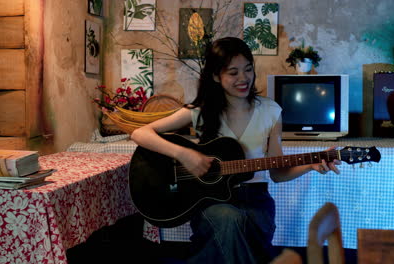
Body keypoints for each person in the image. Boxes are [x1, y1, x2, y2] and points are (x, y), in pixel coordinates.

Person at [131, 37, 341, 264]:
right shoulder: (199, 112)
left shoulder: (270, 111)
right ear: (215, 76)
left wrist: (310, 165)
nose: (243, 78)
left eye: (248, 70)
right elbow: (140, 134)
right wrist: (183, 154)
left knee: (236, 226)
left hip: (256, 202)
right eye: (233, 72)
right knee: (229, 219)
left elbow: (278, 173)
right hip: (211, 203)